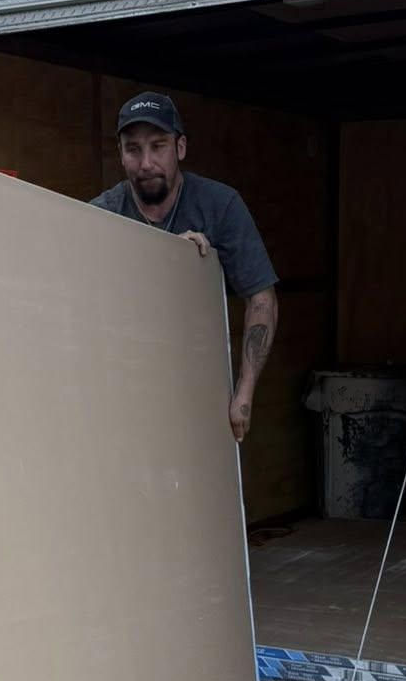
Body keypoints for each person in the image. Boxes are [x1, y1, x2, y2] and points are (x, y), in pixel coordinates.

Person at [91, 91, 279, 440]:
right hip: (126, 391)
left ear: (180, 148)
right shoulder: (100, 215)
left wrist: (244, 393)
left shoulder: (220, 205)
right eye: (133, 149)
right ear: (120, 154)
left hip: (198, 393)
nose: (146, 162)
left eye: (158, 146)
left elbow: (262, 298)